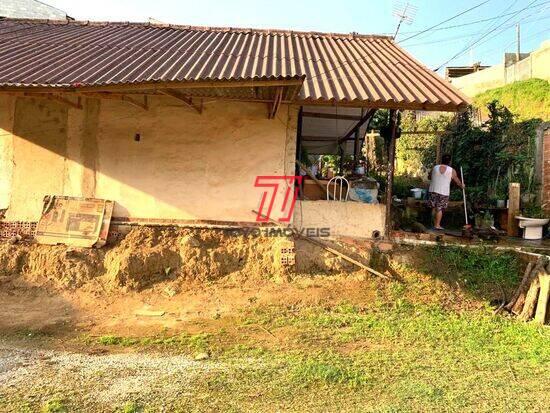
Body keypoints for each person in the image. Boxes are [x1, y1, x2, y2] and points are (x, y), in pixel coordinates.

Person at [427, 154, 464, 230]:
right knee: (439, 208)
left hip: (433, 190)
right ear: (449, 161)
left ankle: (432, 224)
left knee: (433, 207)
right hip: (443, 192)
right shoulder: (452, 170)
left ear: (442, 160)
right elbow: (457, 181)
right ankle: (437, 225)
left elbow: (429, 177)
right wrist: (462, 185)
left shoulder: (435, 168)